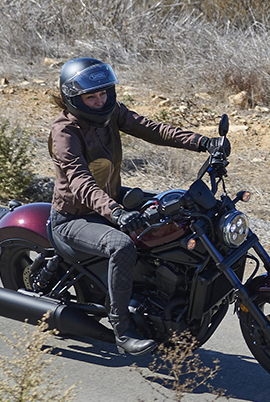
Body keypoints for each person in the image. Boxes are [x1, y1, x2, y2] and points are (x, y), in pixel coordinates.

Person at [48, 57, 227, 356]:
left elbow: (151, 129)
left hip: (113, 199)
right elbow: (81, 182)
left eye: (103, 93)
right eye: (91, 97)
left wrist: (203, 143)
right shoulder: (65, 132)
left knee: (180, 209)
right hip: (74, 218)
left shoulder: (110, 113)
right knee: (122, 246)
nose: (100, 100)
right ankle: (123, 328)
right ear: (73, 99)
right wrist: (116, 213)